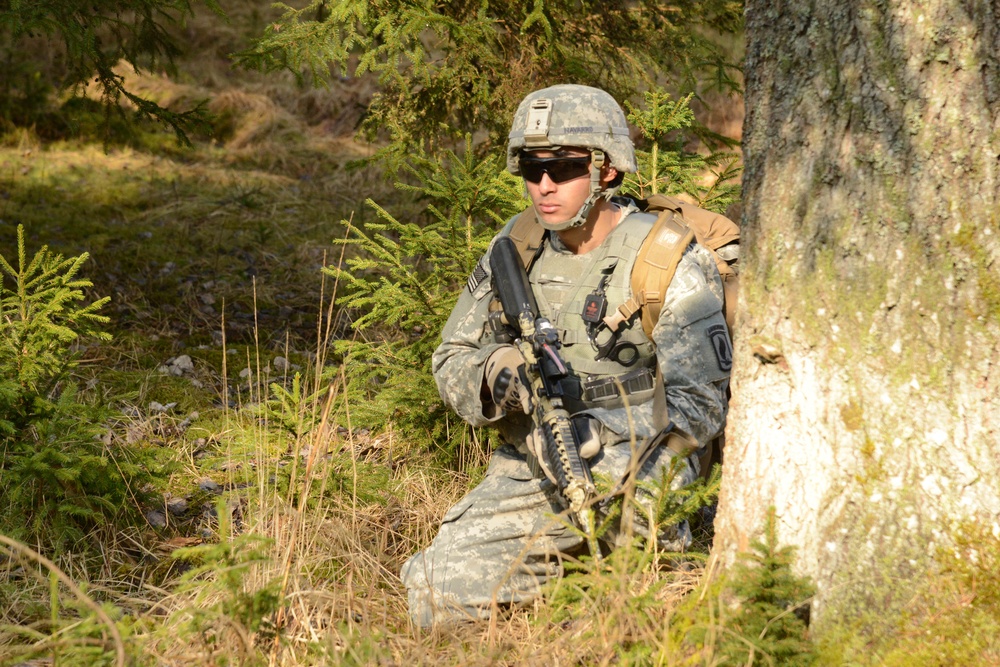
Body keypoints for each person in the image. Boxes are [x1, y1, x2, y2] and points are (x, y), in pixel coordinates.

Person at [400, 84, 732, 627]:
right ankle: (559, 573)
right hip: (537, 457)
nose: (544, 186)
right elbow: (451, 355)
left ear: (606, 169)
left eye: (564, 167)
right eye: (532, 169)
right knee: (433, 596)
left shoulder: (664, 257)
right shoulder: (518, 246)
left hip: (646, 456)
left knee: (623, 613)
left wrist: (621, 460)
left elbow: (699, 405)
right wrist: (497, 374)